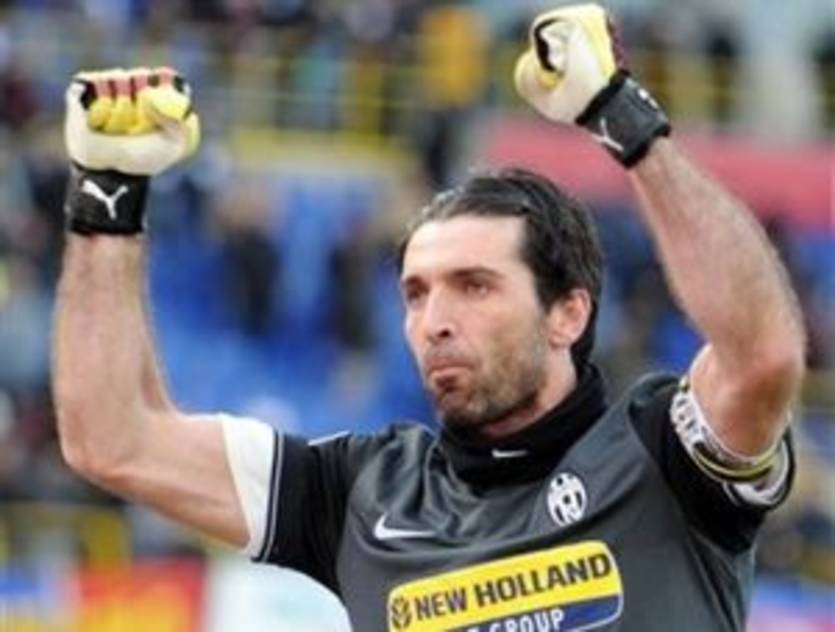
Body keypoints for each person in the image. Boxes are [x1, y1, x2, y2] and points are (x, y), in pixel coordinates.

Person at [52, 5, 805, 631]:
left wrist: (622, 115)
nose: (434, 321)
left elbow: (762, 354)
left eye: (474, 286)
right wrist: (106, 199)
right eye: (416, 293)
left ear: (567, 314)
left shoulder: (662, 455)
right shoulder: (358, 491)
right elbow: (113, 440)